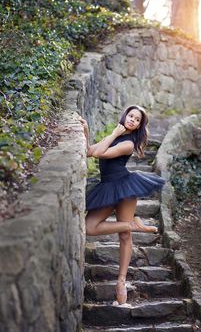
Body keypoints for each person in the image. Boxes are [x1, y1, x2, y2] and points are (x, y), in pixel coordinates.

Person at [79, 105, 165, 305]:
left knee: (124, 237)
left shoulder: (127, 143)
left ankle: (121, 281)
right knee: (89, 227)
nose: (132, 120)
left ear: (138, 127)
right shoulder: (117, 134)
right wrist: (86, 131)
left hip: (124, 188)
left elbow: (100, 154)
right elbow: (90, 151)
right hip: (108, 186)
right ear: (125, 115)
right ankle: (133, 224)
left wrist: (115, 132)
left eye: (137, 120)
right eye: (131, 116)